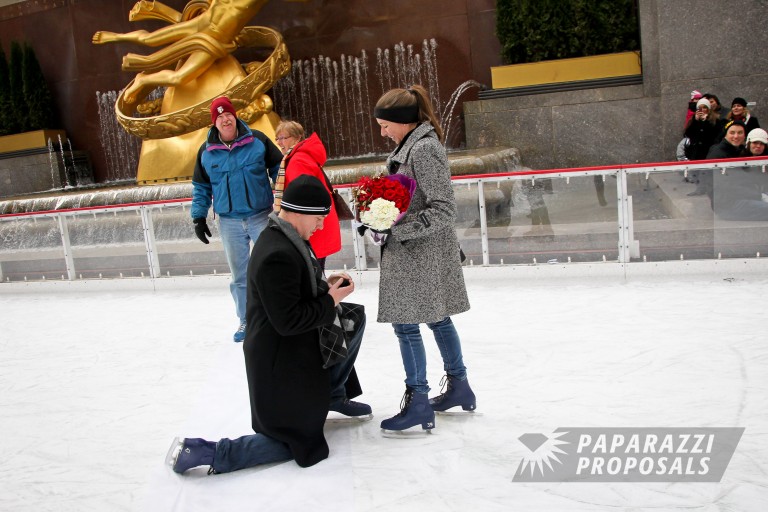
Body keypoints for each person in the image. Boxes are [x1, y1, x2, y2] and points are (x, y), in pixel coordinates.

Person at [169, 175, 372, 474]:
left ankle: (331, 396)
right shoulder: (278, 253)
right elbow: (289, 321)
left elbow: (293, 291)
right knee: (297, 441)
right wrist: (328, 300)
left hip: (289, 351)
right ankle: (208, 452)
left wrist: (323, 288)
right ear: (300, 211)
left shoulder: (285, 236)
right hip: (279, 364)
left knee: (352, 318)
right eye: (319, 218)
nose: (320, 226)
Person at [370, 85, 476, 434]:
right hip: (416, 252)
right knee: (437, 318)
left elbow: (444, 208)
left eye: (386, 125)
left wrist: (398, 230)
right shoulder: (411, 145)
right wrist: (379, 218)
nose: (382, 132)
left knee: (407, 324)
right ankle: (459, 386)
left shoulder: (425, 149)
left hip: (419, 253)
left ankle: (418, 401)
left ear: (403, 122)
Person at [190, 96, 283, 342]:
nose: (225, 119)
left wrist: (285, 202)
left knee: (271, 268)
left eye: (228, 114)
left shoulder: (258, 140)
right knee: (240, 276)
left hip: (260, 216)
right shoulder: (206, 151)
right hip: (229, 222)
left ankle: (277, 315)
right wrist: (198, 217)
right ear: (214, 123)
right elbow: (201, 187)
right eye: (219, 117)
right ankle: (247, 320)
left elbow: (280, 172)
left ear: (235, 116)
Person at [273, 121, 341, 270]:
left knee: (313, 273)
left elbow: (303, 198)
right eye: (277, 138)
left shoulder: (298, 160)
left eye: (283, 138)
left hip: (310, 227)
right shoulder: (299, 156)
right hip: (313, 224)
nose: (279, 142)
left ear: (297, 138)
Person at [710, 125, 768, 221]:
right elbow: (733, 186)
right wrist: (760, 196)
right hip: (732, 203)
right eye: (755, 142)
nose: (758, 146)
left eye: (762, 144)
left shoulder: (764, 162)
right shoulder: (739, 160)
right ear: (748, 143)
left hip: (752, 198)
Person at [684, 98, 720, 195]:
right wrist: (696, 121)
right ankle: (699, 188)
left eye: (705, 107)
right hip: (696, 150)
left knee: (708, 172)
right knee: (697, 171)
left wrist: (705, 122)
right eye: (700, 108)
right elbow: (687, 133)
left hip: (708, 150)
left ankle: (708, 189)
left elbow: (714, 134)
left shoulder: (715, 120)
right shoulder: (694, 120)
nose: (702, 110)